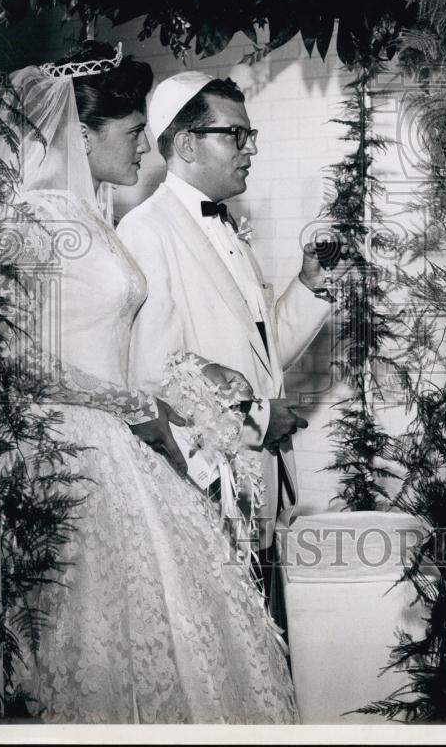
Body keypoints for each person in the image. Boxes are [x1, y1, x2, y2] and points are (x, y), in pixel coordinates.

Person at [0, 43, 298, 723]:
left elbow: (125, 343)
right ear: (83, 133)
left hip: (121, 444)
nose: (145, 148)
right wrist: (125, 401)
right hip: (68, 454)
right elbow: (9, 357)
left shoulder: (89, 220)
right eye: (133, 133)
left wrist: (195, 379)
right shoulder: (28, 222)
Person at [118, 72, 335, 599]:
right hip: (203, 490)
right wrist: (258, 419)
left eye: (250, 135)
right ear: (187, 143)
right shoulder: (145, 233)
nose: (250, 148)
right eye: (235, 135)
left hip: (257, 488)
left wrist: (311, 286)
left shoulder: (226, 225)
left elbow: (262, 358)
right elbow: (153, 378)